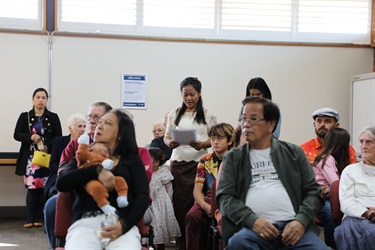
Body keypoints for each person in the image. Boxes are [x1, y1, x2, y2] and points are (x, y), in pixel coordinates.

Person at [216, 96, 329, 249]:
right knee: (238, 243)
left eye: (253, 119)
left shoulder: (294, 153)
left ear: (271, 124)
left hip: (294, 228)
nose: (246, 125)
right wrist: (252, 221)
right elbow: (225, 198)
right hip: (251, 230)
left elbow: (313, 192)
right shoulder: (233, 157)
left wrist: (301, 221)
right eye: (243, 119)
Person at [56, 108, 149, 249]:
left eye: (108, 123)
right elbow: (62, 183)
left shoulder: (132, 160)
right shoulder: (84, 156)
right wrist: (96, 170)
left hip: (121, 223)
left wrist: (124, 225)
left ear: (121, 133)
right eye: (100, 122)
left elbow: (142, 196)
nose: (99, 125)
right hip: (85, 224)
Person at [44, 102, 113, 249]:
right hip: (75, 192)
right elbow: (63, 174)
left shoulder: (115, 144)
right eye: (90, 117)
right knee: (51, 205)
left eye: (97, 117)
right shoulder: (77, 144)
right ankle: (57, 246)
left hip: (110, 193)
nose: (92, 121)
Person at [164, 77, 217, 250]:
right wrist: (169, 143)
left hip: (200, 165)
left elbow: (215, 138)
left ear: (199, 94)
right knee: (179, 205)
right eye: (185, 95)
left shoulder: (208, 114)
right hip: (178, 164)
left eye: (192, 94)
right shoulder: (174, 113)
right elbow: (166, 136)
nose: (188, 98)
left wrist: (203, 144)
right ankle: (182, 244)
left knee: (196, 207)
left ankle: (198, 244)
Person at [13, 87, 62, 228]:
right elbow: (16, 135)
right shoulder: (25, 116)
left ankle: (40, 218)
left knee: (44, 187)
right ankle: (30, 219)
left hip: (46, 157)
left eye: (43, 98)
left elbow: (58, 137)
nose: (41, 100)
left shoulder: (53, 117)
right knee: (32, 187)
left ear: (47, 100)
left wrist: (47, 145)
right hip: (31, 159)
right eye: (38, 97)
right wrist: (30, 136)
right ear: (33, 99)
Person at [185, 123, 234, 250]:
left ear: (230, 141)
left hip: (228, 200)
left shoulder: (236, 159)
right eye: (212, 138)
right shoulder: (205, 160)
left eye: (219, 138)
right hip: (207, 199)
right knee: (192, 216)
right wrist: (205, 206)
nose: (215, 142)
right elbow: (197, 191)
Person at [43, 113, 86, 248]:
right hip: (59, 177)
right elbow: (54, 163)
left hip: (80, 182)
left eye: (84, 126)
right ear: (70, 128)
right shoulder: (60, 142)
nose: (83, 129)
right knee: (52, 203)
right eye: (79, 126)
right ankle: (54, 244)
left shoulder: (92, 143)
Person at [334, 126, 375, 250]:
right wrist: (367, 213)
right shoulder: (350, 170)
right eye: (361, 141)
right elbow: (346, 203)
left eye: (369, 142)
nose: (363, 146)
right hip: (355, 216)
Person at [312, 127, 351, 248]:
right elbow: (336, 184)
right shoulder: (326, 159)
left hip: (331, 195)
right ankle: (332, 246)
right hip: (319, 199)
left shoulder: (339, 160)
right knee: (331, 212)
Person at [76, 135, 129, 215]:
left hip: (110, 187)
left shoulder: (106, 159)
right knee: (97, 188)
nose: (107, 149)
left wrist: (108, 165)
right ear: (90, 148)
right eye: (104, 146)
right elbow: (81, 154)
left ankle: (122, 197)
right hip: (91, 185)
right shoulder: (87, 157)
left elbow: (111, 167)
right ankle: (104, 205)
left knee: (120, 180)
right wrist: (83, 144)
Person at [149, 147, 181, 250]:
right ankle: (151, 245)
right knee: (153, 225)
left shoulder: (163, 172)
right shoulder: (145, 172)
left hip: (161, 202)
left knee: (160, 224)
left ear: (157, 162)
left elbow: (169, 188)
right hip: (150, 202)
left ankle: (160, 246)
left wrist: (169, 201)